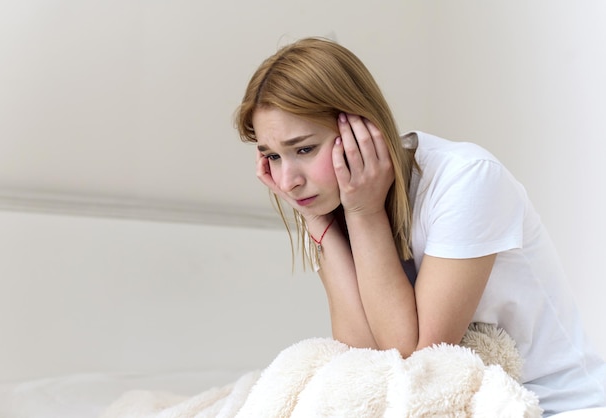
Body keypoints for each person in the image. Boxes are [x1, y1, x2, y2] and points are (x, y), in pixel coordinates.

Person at [234, 37, 605, 416]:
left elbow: (415, 357)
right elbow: (362, 359)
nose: (288, 180)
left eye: (304, 149)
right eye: (272, 157)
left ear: (360, 128)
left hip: (557, 405)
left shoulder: (467, 179)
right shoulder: (333, 201)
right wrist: (317, 221)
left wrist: (365, 213)